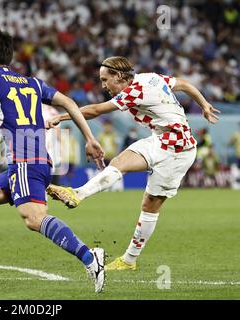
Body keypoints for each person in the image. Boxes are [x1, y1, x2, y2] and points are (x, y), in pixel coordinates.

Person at [0, 25, 106, 293]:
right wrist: (90, 138)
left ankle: (91, 258)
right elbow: (68, 102)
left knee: (34, 218)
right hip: (35, 160)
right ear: (8, 57)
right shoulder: (32, 83)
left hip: (25, 161)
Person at [46, 56, 220, 271]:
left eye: (104, 79)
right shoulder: (151, 78)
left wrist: (60, 117)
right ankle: (80, 198)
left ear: (119, 76)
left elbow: (95, 111)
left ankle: (127, 258)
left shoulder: (133, 91)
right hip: (165, 139)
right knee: (126, 169)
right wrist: (203, 104)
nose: (103, 85)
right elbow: (183, 85)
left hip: (178, 148)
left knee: (150, 205)